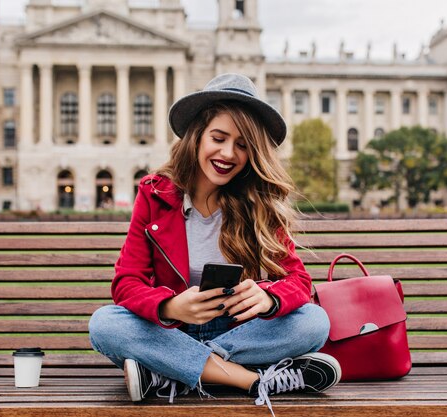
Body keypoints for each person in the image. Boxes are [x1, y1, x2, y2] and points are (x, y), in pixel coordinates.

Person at [88, 73, 340, 413]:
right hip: (172, 329)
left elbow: (299, 283)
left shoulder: (259, 201)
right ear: (197, 137)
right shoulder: (154, 194)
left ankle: (168, 373)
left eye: (242, 145)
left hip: (241, 332)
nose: (228, 153)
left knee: (314, 322)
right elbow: (126, 283)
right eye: (218, 138)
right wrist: (170, 307)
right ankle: (249, 380)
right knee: (105, 324)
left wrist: (268, 298)